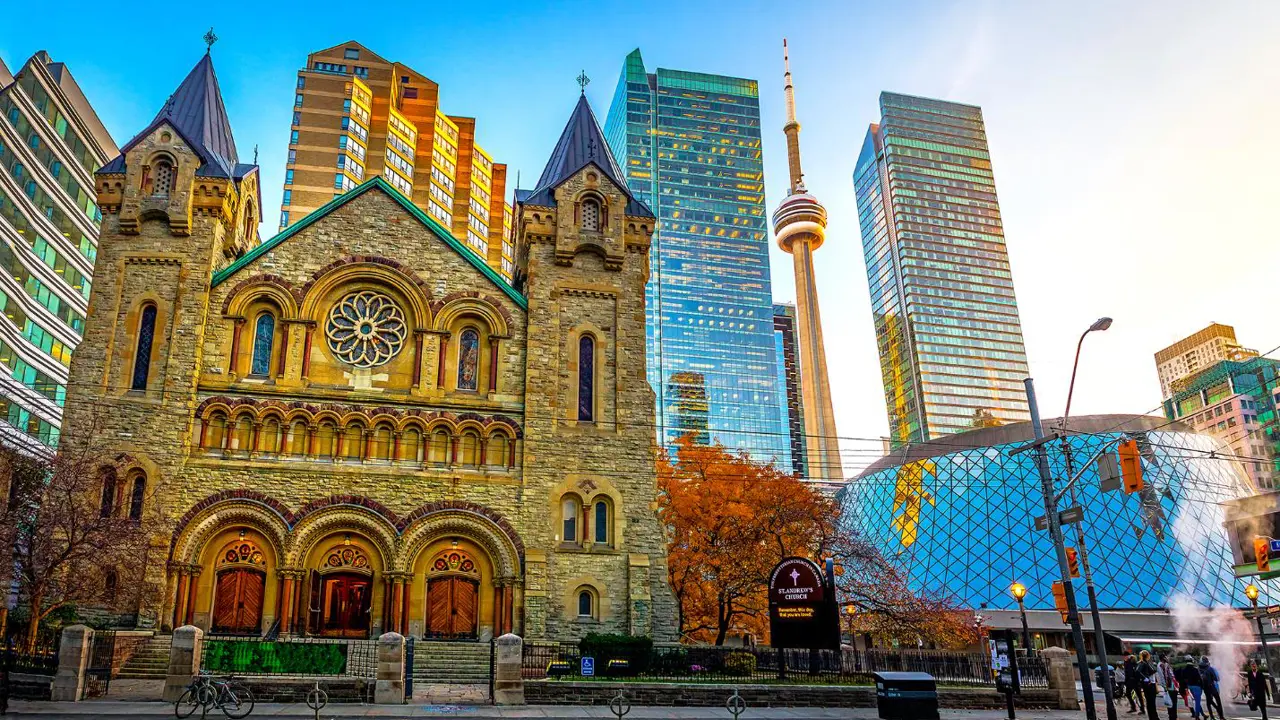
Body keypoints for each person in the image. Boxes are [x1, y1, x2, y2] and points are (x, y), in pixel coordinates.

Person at [1179, 655, 1203, 720]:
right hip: (1196, 687)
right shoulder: (1195, 669)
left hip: (1189, 687)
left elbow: (1183, 679)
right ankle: (1197, 716)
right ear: (1191, 660)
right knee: (1197, 702)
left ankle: (1203, 714)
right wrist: (1202, 686)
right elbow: (1200, 679)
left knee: (1196, 701)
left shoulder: (1183, 670)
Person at [1139, 650, 1160, 720]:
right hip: (1149, 685)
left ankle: (1153, 717)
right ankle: (1154, 717)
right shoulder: (1144, 663)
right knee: (1151, 702)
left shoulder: (1146, 663)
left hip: (1150, 684)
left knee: (1150, 702)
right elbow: (1138, 671)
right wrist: (1146, 679)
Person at [1159, 654, 1179, 720]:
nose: (1167, 658)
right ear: (1163, 658)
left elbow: (1172, 675)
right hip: (1169, 687)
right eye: (1166, 657)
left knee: (1173, 702)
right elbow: (1162, 677)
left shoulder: (1167, 665)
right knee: (1171, 702)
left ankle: (1174, 716)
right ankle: (1172, 716)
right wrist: (1164, 686)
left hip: (1173, 686)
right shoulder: (1161, 665)